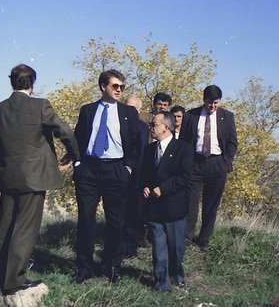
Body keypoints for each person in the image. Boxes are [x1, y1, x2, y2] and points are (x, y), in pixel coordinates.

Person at [0, 64, 80, 295]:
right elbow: (66, 132)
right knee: (25, 230)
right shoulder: (40, 105)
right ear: (32, 83)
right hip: (34, 177)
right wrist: (74, 155)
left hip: (6, 176)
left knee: (5, 227)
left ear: (12, 82)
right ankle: (13, 282)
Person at [72, 69, 140, 284]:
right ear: (103, 87)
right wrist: (77, 163)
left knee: (116, 222)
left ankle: (111, 266)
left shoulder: (129, 113)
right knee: (86, 220)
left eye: (122, 87)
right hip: (89, 170)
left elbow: (137, 145)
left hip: (116, 170)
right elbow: (77, 139)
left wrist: (128, 167)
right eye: (115, 86)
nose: (119, 90)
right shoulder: (88, 110)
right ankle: (84, 268)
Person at [140, 111, 193, 292]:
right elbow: (144, 174)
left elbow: (184, 177)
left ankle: (176, 274)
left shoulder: (183, 149)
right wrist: (145, 186)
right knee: (159, 248)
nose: (151, 128)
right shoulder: (148, 150)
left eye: (154, 124)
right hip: (155, 210)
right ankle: (162, 283)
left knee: (176, 248)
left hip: (175, 209)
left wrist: (163, 188)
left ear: (166, 127)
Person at [182, 85, 237, 248]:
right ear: (203, 100)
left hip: (217, 163)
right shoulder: (190, 115)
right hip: (195, 164)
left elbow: (233, 142)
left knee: (211, 204)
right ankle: (186, 237)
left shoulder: (227, 116)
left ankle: (204, 239)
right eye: (209, 103)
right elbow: (184, 141)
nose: (212, 106)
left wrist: (225, 161)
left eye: (215, 103)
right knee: (190, 203)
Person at [123, 95, 150, 256]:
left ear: (139, 110)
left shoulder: (143, 127)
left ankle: (131, 247)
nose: (130, 110)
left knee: (135, 213)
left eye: (133, 108)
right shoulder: (116, 123)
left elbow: (142, 152)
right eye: (127, 106)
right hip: (118, 175)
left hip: (137, 177)